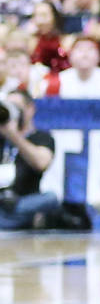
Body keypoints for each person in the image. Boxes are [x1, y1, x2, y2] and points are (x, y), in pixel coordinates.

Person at [0, 85, 59, 230]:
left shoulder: (41, 137)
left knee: (50, 198)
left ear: (30, 109)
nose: (13, 112)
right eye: (8, 108)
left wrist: (14, 136)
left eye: (16, 107)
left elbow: (41, 163)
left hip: (23, 202)